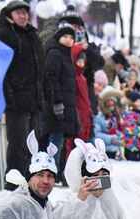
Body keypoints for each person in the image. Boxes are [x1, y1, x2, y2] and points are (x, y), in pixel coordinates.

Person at [52, 138, 138, 219]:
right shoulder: (68, 199)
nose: (100, 180)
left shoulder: (109, 197)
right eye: (95, 176)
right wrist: (80, 199)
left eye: (104, 175)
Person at [0, 1, 46, 190]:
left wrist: (43, 95)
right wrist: (9, 96)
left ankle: (30, 183)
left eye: (24, 12)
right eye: (18, 13)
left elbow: (41, 68)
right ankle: (12, 186)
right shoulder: (2, 36)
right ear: (10, 16)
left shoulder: (33, 35)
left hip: (34, 100)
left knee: (33, 146)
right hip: (15, 101)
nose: (22, 16)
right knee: (18, 145)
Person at [39, 22, 80, 185]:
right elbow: (51, 78)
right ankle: (50, 173)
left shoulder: (65, 54)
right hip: (55, 104)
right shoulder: (55, 53)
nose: (69, 40)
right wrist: (56, 102)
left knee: (59, 139)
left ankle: (55, 172)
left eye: (71, 37)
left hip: (63, 103)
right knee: (55, 140)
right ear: (58, 38)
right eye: (65, 36)